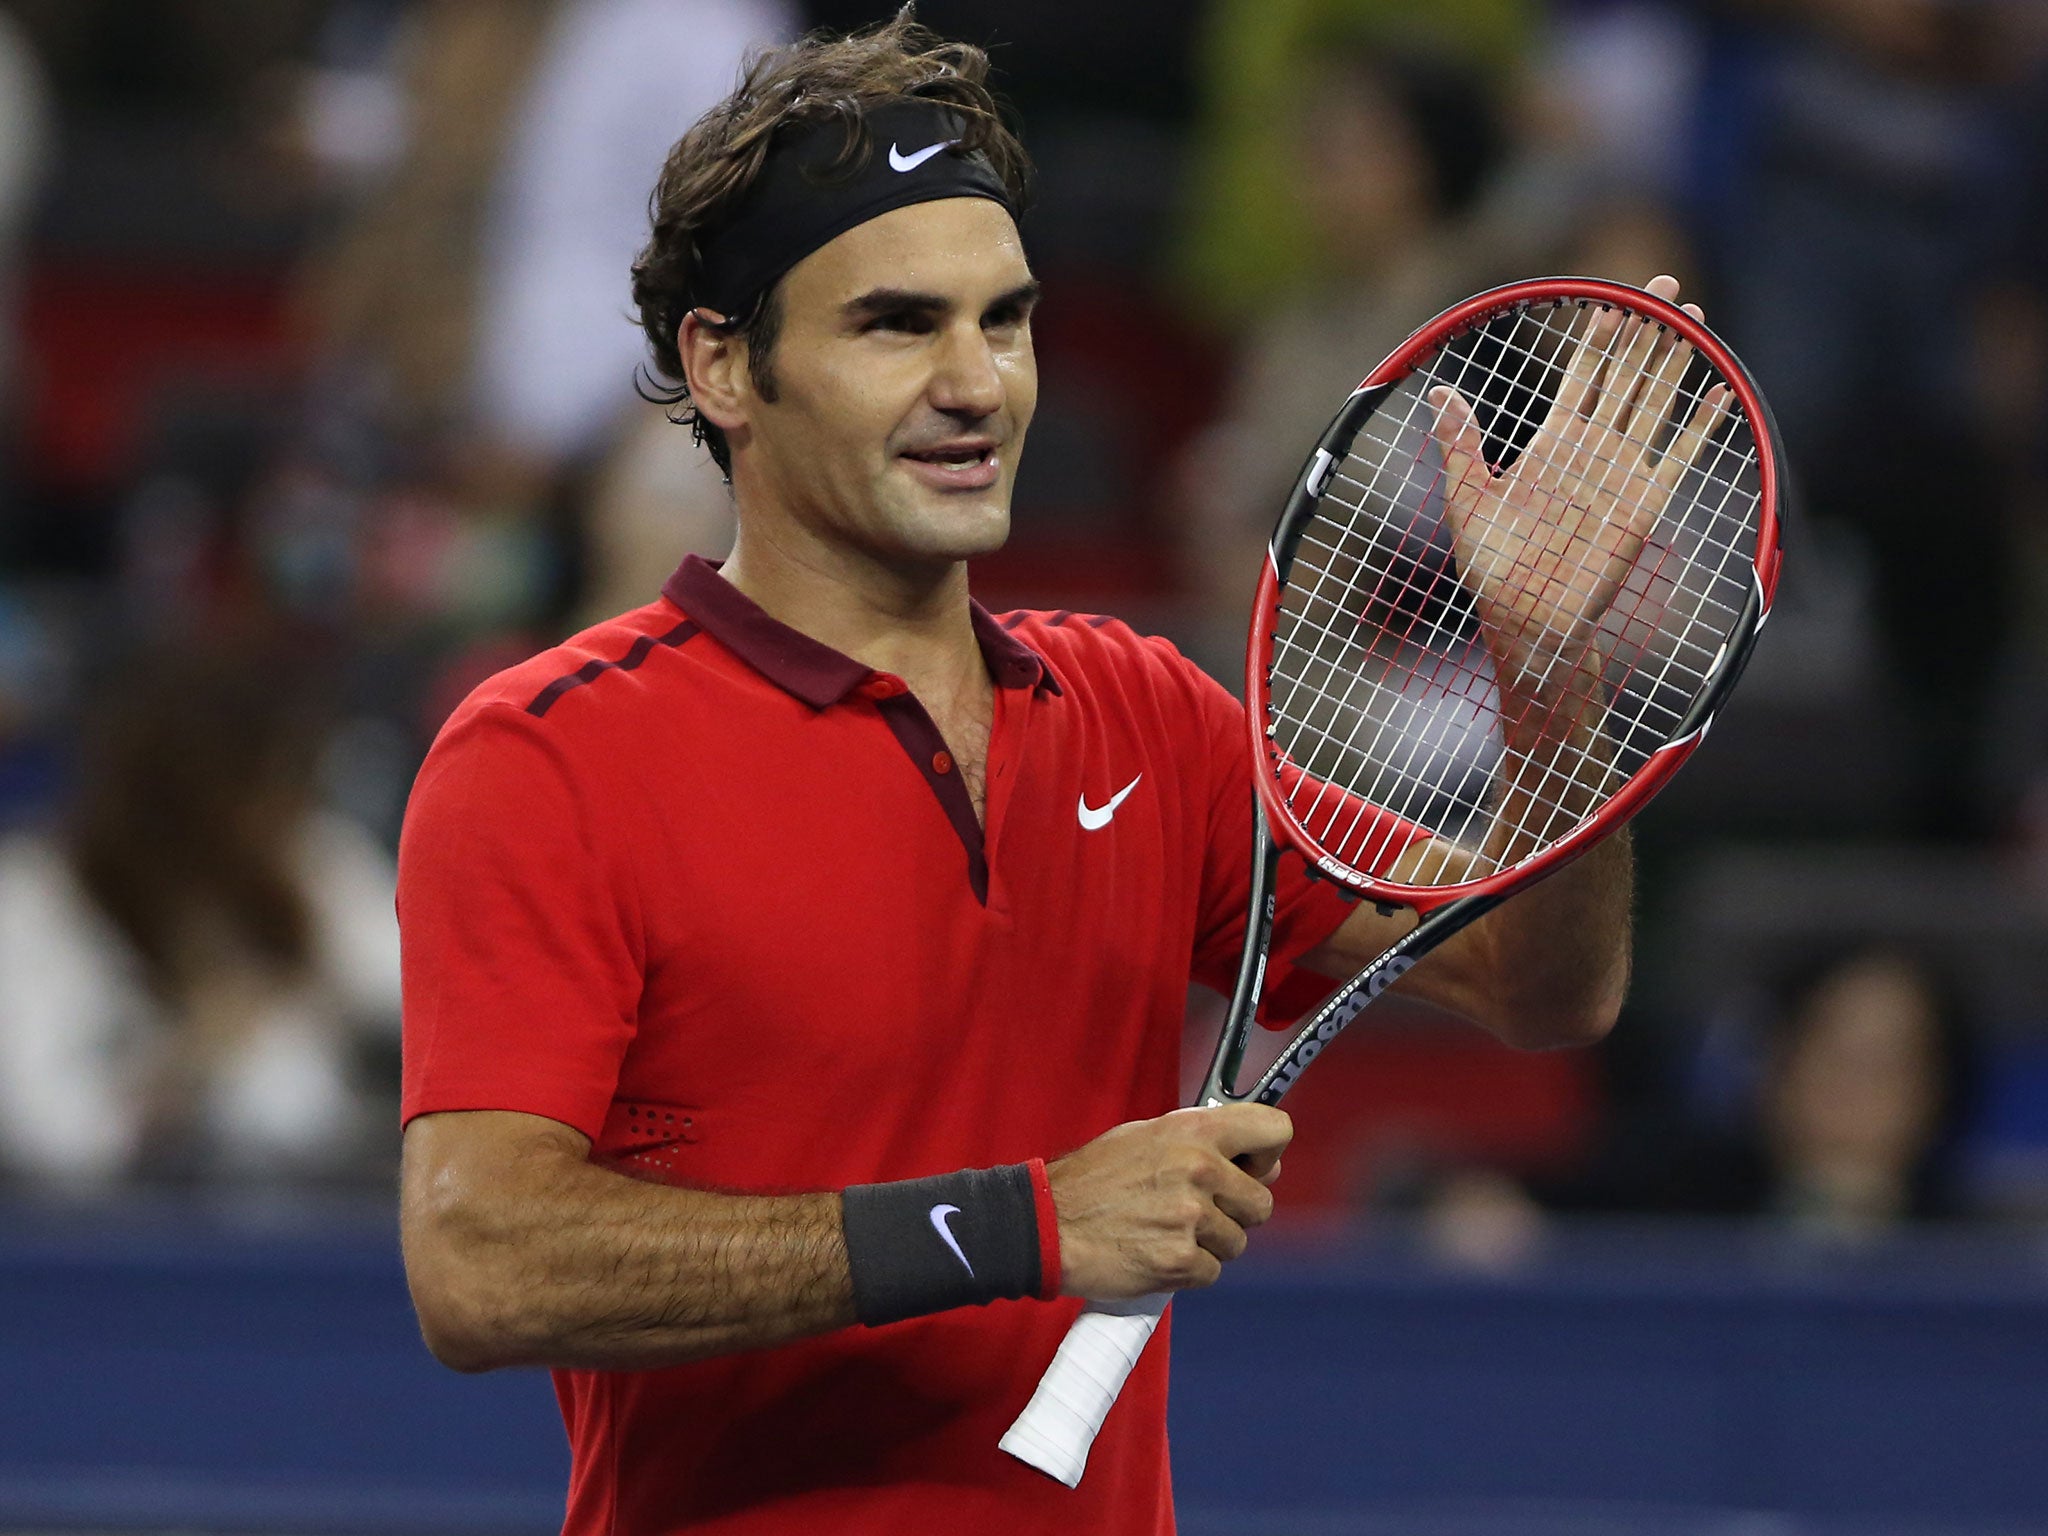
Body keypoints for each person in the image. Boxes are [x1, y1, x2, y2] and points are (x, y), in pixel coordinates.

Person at [395, 16, 1648, 1534]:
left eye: (1008, 319)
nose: (976, 381)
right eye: (896, 324)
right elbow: (481, 1264)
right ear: (723, 365)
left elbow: (1537, 980)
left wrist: (1556, 703)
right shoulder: (549, 755)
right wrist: (1021, 1224)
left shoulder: (1142, 714)